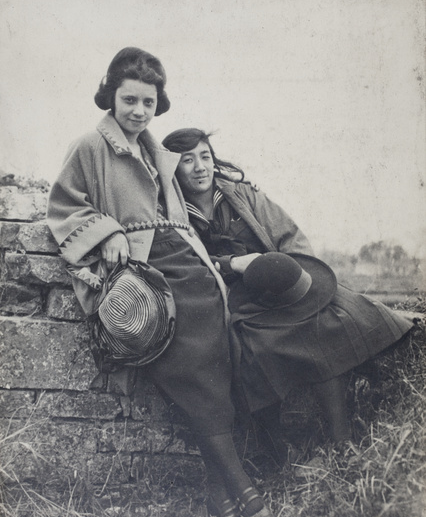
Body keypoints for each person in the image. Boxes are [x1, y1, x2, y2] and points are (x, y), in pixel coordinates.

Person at [47, 48, 273, 517]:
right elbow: (64, 207)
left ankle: (218, 490)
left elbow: (176, 220)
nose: (138, 112)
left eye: (148, 103)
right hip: (143, 276)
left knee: (222, 344)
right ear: (111, 97)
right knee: (190, 361)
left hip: (188, 267)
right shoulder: (90, 146)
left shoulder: (156, 150)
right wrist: (107, 230)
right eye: (129, 100)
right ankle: (240, 488)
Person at [162, 128, 419, 457]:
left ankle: (343, 446)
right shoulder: (173, 214)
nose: (200, 167)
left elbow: (289, 236)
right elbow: (183, 262)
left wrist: (296, 277)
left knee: (330, 323)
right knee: (250, 350)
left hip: (276, 289)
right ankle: (276, 450)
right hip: (231, 301)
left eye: (205, 156)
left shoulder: (243, 195)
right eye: (188, 160)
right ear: (172, 168)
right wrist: (232, 263)